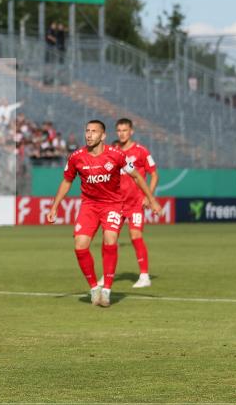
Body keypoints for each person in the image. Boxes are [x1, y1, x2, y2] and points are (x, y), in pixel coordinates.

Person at [46, 120, 161, 308]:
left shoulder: (117, 155)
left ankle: (107, 289)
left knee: (110, 239)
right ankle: (94, 288)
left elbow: (137, 176)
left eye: (94, 131)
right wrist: (54, 206)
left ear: (103, 136)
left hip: (112, 205)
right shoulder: (76, 157)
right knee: (80, 245)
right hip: (89, 206)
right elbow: (66, 181)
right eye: (87, 131)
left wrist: (152, 200)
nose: (89, 135)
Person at [114, 118, 159, 288]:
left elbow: (154, 174)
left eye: (125, 130)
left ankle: (144, 276)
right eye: (119, 130)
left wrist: (149, 196)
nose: (122, 133)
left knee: (135, 236)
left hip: (135, 203)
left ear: (131, 131)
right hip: (117, 204)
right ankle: (106, 276)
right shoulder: (113, 151)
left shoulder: (141, 151)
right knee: (109, 239)